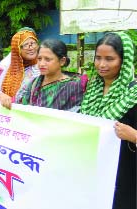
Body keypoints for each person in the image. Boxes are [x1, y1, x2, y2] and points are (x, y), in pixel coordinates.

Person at [80, 32, 136, 209]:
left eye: (110, 59)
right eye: (98, 58)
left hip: (127, 175)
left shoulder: (133, 93)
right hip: (97, 169)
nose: (102, 65)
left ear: (123, 60)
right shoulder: (92, 90)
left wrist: (134, 136)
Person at [18, 39, 87, 111]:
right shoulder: (33, 84)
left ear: (62, 61)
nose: (41, 64)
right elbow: (23, 109)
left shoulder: (76, 85)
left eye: (47, 59)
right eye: (39, 59)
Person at [0, 29, 40, 109]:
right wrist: (2, 96)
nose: (31, 48)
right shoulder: (9, 67)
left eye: (33, 43)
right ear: (17, 49)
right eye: (26, 45)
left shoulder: (41, 68)